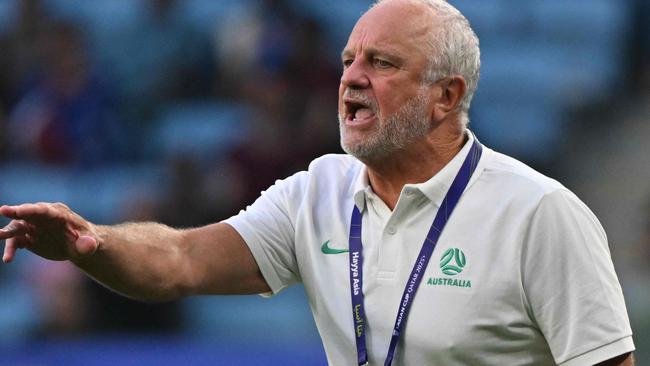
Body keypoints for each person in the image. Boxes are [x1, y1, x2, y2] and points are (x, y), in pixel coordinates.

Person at [0, 0, 635, 365]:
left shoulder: (540, 213)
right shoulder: (316, 191)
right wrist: (95, 243)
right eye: (347, 61)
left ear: (447, 96)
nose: (351, 78)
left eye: (381, 63)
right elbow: (180, 261)